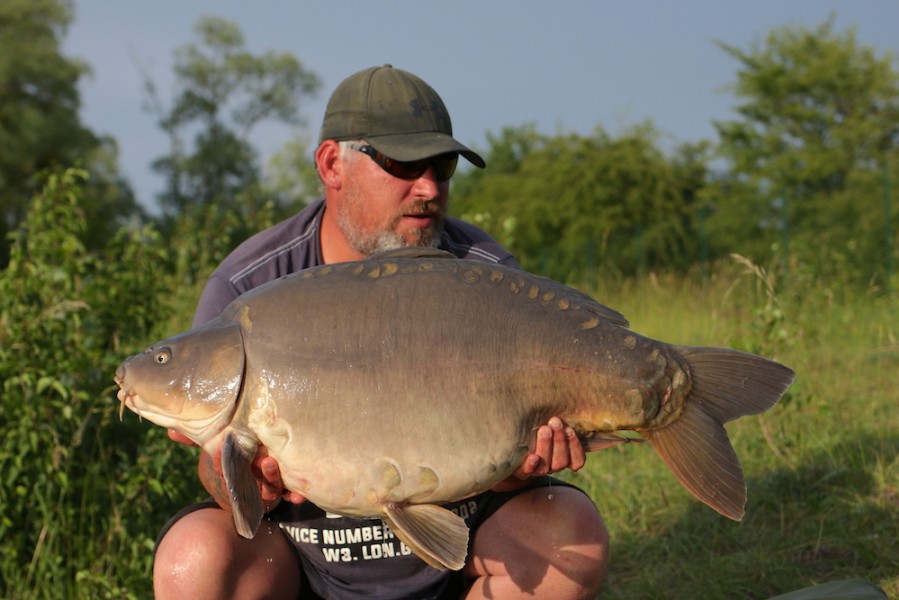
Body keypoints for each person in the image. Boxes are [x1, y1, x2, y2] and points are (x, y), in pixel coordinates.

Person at [153, 65, 609, 600]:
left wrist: (520, 467)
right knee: (193, 556)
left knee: (570, 535)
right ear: (332, 165)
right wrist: (241, 484)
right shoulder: (250, 285)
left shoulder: (483, 276)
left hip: (456, 557)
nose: (429, 187)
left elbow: (510, 464)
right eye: (404, 164)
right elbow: (216, 478)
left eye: (443, 167)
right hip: (301, 563)